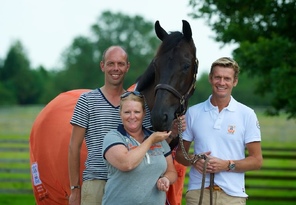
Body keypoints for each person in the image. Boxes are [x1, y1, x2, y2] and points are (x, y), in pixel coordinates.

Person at [68, 45, 183, 205]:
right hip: (97, 181)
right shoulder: (87, 100)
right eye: (111, 63)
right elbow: (74, 146)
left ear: (127, 67)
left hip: (131, 183)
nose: (116, 68)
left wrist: (173, 133)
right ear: (102, 66)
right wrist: (75, 188)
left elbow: (152, 144)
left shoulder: (137, 102)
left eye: (121, 64)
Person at [175, 57, 263, 205]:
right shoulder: (193, 113)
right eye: (217, 77)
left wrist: (227, 165)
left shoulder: (247, 114)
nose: (222, 83)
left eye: (227, 78)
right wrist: (194, 160)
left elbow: (257, 161)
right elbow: (179, 155)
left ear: (235, 82)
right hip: (198, 193)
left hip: (232, 196)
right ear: (210, 79)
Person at [102, 91, 178, 205]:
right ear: (120, 114)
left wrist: (166, 179)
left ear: (144, 114)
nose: (132, 116)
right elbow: (127, 164)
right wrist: (151, 140)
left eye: (137, 112)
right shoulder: (113, 137)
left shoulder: (158, 139)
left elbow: (172, 171)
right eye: (127, 112)